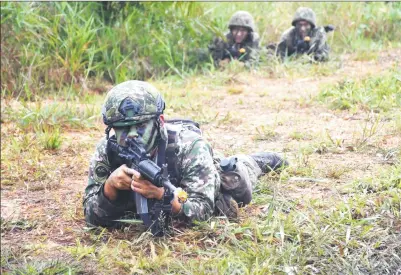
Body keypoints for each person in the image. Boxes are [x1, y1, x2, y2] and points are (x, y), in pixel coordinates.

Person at [83, 80, 288, 229]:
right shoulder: (107, 149)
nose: (133, 134)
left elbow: (202, 211)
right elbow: (91, 214)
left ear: (159, 121)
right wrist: (109, 187)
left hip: (194, 178)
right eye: (123, 128)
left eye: (141, 125)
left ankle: (256, 161)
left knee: (236, 180)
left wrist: (163, 195)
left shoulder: (189, 146)